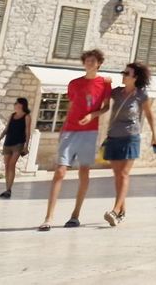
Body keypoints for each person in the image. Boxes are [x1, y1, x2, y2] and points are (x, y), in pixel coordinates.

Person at [39, 49, 111, 230]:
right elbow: (71, 106)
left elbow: (105, 108)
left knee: (84, 172)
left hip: (89, 132)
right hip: (70, 130)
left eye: (93, 61)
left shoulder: (105, 83)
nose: (89, 63)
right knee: (60, 172)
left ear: (99, 63)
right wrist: (62, 130)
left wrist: (92, 116)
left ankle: (75, 215)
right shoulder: (73, 83)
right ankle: (48, 217)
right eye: (87, 60)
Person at [102, 62, 156, 227]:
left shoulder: (141, 95)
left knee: (124, 174)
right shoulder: (116, 92)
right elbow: (103, 99)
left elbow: (149, 115)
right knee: (117, 175)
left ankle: (115, 210)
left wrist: (155, 136)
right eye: (124, 72)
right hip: (113, 136)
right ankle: (121, 211)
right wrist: (104, 82)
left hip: (131, 137)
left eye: (127, 73)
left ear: (135, 78)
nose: (123, 75)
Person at [0, 97, 31, 198]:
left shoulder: (26, 116)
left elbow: (27, 131)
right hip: (8, 142)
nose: (15, 105)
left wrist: (26, 145)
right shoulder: (12, 115)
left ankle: (9, 189)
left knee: (11, 165)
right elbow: (6, 129)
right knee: (6, 166)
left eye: (17, 103)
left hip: (18, 143)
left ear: (22, 105)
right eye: (15, 103)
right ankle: (7, 189)